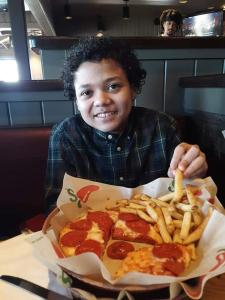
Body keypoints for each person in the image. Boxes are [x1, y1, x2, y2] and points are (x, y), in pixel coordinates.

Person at [44, 36, 207, 212]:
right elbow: (56, 207)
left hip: (158, 236)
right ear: (76, 100)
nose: (101, 100)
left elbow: (186, 194)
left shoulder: (163, 127)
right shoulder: (66, 136)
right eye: (87, 92)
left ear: (133, 88)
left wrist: (193, 173)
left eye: (113, 86)